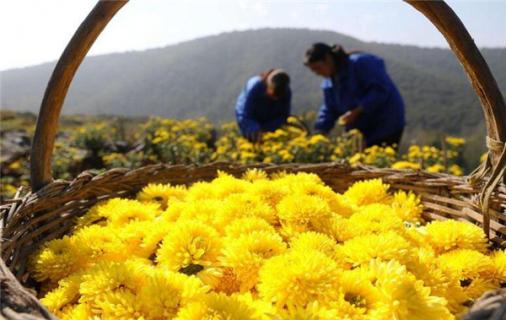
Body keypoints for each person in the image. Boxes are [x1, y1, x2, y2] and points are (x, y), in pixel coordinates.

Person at [304, 43, 405, 148]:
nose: (317, 73)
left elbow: (380, 90)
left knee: (377, 160)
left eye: (318, 68)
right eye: (313, 70)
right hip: (360, 129)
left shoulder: (360, 63)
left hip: (385, 123)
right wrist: (320, 131)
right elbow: (329, 108)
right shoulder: (329, 83)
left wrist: (357, 111)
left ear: (328, 59)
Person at [235, 69, 292, 142]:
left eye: (278, 97)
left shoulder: (286, 91)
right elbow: (244, 113)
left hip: (271, 125)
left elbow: (284, 115)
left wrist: (269, 129)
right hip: (252, 124)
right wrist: (254, 128)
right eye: (272, 95)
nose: (274, 99)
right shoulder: (254, 87)